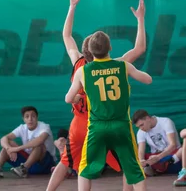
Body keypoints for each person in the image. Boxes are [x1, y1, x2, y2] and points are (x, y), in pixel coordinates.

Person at [46, 0, 146, 191]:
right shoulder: (117, 64)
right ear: (106, 48)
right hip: (109, 120)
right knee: (129, 164)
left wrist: (71, 7)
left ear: (86, 51)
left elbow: (66, 36)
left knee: (69, 163)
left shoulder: (78, 64)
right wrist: (140, 19)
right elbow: (139, 49)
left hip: (81, 125)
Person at [65, 30, 153, 191]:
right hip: (121, 126)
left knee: (84, 170)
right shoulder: (122, 65)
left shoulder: (83, 71)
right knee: (134, 169)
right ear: (110, 47)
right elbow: (148, 80)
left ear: (90, 52)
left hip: (97, 127)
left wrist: (77, 98)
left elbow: (68, 98)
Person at [0, 106, 56, 178]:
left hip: (45, 164)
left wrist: (17, 149)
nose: (30, 119)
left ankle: (24, 169)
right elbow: (3, 138)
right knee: (8, 144)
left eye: (33, 116)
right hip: (29, 162)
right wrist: (9, 149)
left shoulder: (44, 127)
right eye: (27, 117)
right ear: (24, 119)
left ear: (37, 117)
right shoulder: (22, 127)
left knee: (39, 145)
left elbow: (40, 140)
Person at [132, 109, 182, 176]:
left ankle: (157, 168)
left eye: (142, 125)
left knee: (183, 150)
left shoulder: (166, 122)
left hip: (171, 154)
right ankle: (154, 167)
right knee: (136, 159)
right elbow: (141, 151)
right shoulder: (140, 132)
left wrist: (158, 157)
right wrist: (142, 161)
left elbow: (173, 145)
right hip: (154, 157)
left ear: (148, 118)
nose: (141, 128)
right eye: (138, 127)